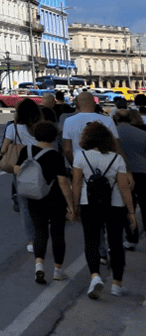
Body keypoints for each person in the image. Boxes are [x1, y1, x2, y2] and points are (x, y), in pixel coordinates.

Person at [71, 122, 137, 298]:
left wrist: (74, 206)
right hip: (115, 205)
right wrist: (131, 211)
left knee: (91, 241)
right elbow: (124, 187)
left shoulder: (80, 156)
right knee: (116, 243)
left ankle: (95, 277)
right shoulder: (117, 159)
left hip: (88, 203)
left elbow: (76, 183)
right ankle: (117, 284)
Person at [14, 121, 76, 284]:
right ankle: (58, 270)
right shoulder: (56, 156)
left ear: (36, 135)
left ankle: (39, 267)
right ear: (54, 137)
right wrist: (71, 205)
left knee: (40, 232)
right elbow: (63, 182)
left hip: (35, 198)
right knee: (57, 234)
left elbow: (16, 170)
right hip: (55, 200)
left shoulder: (26, 151)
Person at [0, 98, 42, 252]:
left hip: (20, 169)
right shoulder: (40, 127)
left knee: (25, 207)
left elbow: (4, 149)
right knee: (41, 203)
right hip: (40, 166)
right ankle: (42, 234)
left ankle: (32, 241)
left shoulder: (13, 128)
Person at [113, 108, 146, 251]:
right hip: (143, 171)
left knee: (127, 207)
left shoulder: (112, 134)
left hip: (123, 174)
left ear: (116, 118)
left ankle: (131, 237)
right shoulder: (142, 133)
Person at [63, 91, 122, 166]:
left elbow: (67, 149)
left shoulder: (69, 121)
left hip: (80, 163)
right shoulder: (107, 120)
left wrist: (74, 164)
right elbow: (116, 146)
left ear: (77, 104)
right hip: (104, 164)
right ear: (94, 103)